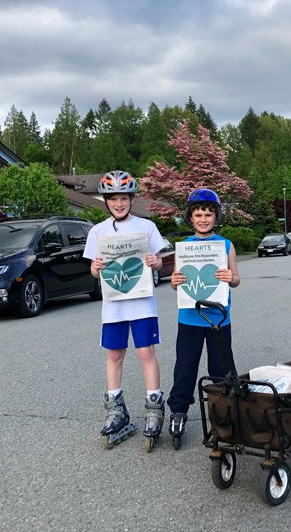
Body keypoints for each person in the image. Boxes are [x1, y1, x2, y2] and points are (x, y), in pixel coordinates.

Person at [84, 170, 167, 449]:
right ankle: (115, 408)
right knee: (115, 354)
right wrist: (95, 269)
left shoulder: (146, 226)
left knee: (145, 352)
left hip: (142, 302)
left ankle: (154, 406)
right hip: (114, 305)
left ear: (131, 199)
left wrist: (155, 262)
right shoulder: (98, 231)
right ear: (105, 201)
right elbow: (94, 271)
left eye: (123, 198)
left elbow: (159, 260)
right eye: (113, 199)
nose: (119, 204)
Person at [167, 188, 240, 447]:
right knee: (185, 367)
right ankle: (179, 411)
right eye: (198, 214)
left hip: (219, 319)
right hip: (190, 318)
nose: (203, 219)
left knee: (221, 368)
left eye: (208, 214)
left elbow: (236, 279)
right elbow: (177, 282)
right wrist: (175, 282)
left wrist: (231, 278)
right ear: (190, 217)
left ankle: (225, 412)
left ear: (216, 216)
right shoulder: (184, 248)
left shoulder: (225, 246)